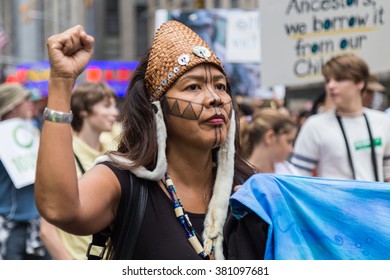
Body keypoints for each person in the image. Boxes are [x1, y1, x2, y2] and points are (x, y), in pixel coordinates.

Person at [35, 21, 262, 260]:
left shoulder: (250, 188)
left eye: (220, 86)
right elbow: (58, 209)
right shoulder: (123, 180)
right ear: (156, 109)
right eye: (193, 87)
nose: (215, 98)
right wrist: (61, 82)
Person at [40, 81, 119, 259]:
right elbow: (47, 230)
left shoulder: (115, 151)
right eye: (106, 106)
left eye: (114, 105)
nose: (115, 112)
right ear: (83, 111)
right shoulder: (63, 156)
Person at [290, 53, 390, 181]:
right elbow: (297, 178)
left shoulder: (383, 122)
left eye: (339, 79)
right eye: (327, 81)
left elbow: (388, 174)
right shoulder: (314, 125)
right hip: (330, 201)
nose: (331, 86)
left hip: (376, 200)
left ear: (359, 82)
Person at [0, 83, 50, 259]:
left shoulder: (32, 130)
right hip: (10, 225)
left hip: (37, 224)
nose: (32, 103)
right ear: (12, 106)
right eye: (25, 100)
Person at [240, 108, 298, 175]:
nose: (291, 149)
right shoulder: (240, 175)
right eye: (288, 141)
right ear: (270, 137)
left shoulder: (289, 171)